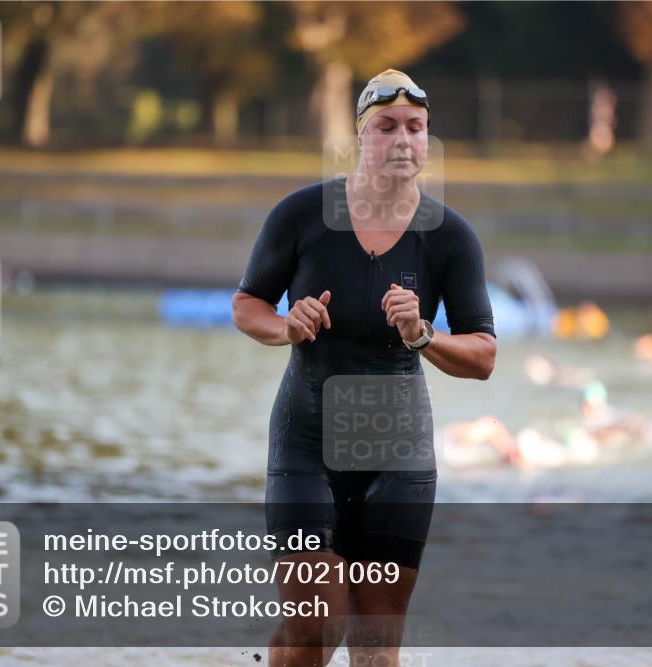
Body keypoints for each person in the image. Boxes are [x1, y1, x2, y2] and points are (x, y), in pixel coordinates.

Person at [232, 68, 497, 667]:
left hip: (398, 454)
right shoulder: (301, 216)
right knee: (317, 625)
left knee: (376, 647)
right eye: (386, 127)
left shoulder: (450, 237)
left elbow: (483, 355)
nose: (403, 139)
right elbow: (246, 303)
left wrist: (422, 334)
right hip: (307, 443)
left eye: (416, 128)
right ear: (360, 138)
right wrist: (285, 327)